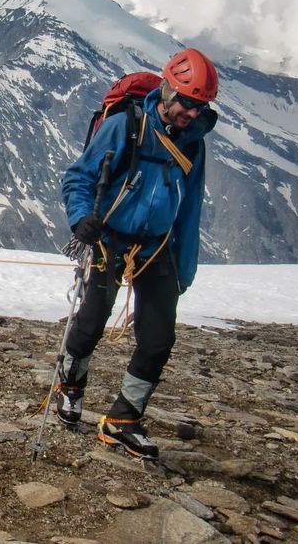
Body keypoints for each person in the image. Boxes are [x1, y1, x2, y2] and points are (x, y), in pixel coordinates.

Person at [57, 48, 219, 459]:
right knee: (91, 322)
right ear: (167, 90)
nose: (192, 113)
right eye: (187, 102)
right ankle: (70, 386)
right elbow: (79, 177)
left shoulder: (194, 146)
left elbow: (190, 208)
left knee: (159, 338)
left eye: (200, 107)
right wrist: (81, 220)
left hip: (158, 246)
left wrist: (183, 272)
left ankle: (123, 420)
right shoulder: (124, 126)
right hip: (108, 239)